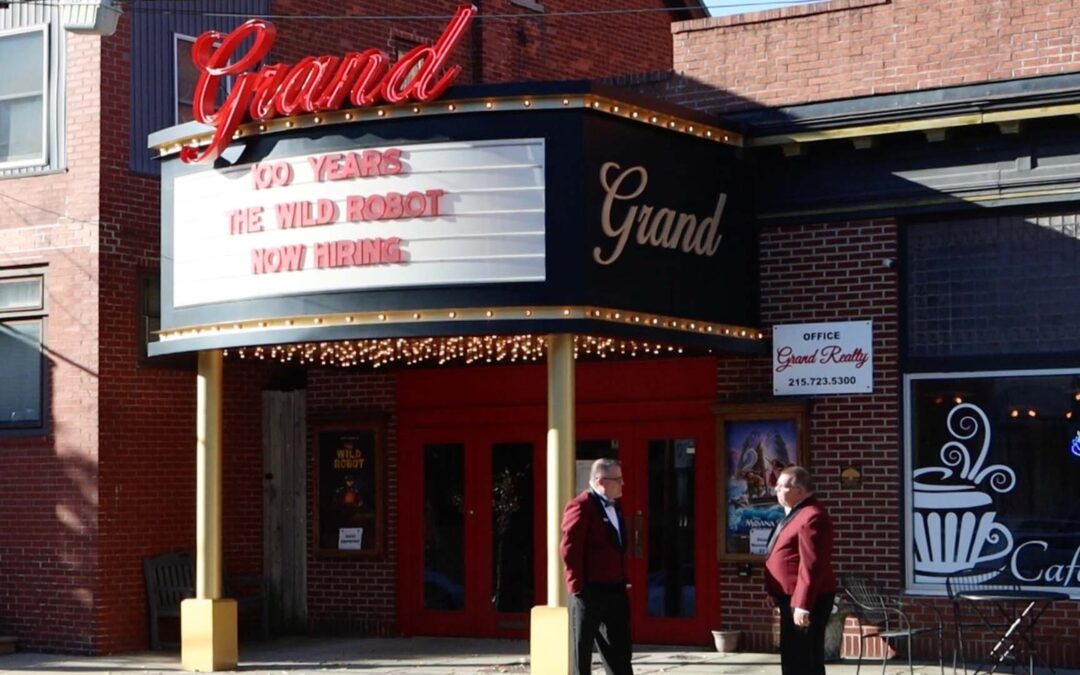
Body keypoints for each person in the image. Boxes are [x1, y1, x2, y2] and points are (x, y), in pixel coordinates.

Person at [560, 458, 633, 675]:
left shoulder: (616, 507)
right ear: (601, 481)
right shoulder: (581, 505)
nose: (623, 483)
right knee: (582, 651)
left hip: (615, 590)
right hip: (589, 590)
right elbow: (569, 549)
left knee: (620, 649)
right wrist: (577, 587)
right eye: (618, 479)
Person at [764, 465, 837, 675]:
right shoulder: (795, 514)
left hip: (807, 599)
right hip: (789, 596)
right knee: (792, 654)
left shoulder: (812, 516)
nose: (776, 490)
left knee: (804, 657)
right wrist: (772, 590)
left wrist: (803, 605)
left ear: (799, 490)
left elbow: (812, 565)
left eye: (781, 486)